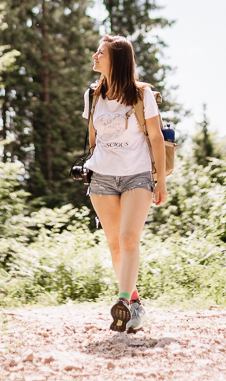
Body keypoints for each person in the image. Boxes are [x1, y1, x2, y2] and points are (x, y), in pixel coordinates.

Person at [82, 35, 168, 333]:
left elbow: (156, 138)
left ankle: (122, 302)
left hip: (137, 175)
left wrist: (160, 182)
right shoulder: (92, 95)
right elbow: (92, 138)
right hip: (102, 177)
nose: (94, 55)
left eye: (100, 52)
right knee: (115, 246)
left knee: (129, 239)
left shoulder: (142, 95)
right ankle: (136, 305)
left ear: (115, 58)